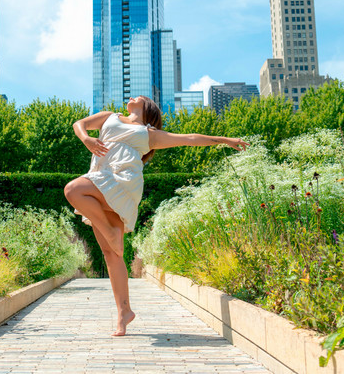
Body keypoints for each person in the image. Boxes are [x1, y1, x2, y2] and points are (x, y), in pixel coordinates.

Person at [64, 95, 249, 336]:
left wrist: (225, 140)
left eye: (138, 97)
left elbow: (190, 139)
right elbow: (79, 123)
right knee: (111, 253)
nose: (131, 97)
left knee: (73, 189)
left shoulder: (149, 134)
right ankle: (124, 313)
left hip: (124, 181)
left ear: (148, 107)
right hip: (101, 176)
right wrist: (87, 139)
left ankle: (111, 233)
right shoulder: (109, 116)